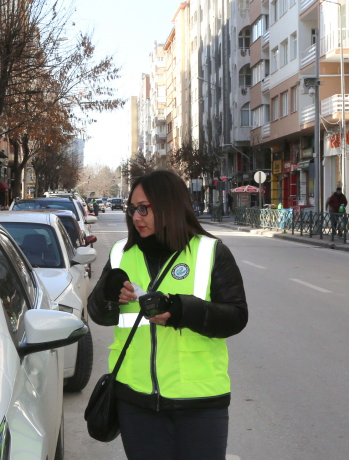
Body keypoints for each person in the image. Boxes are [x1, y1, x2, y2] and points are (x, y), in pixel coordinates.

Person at [87, 170, 248, 460]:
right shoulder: (121, 253)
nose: (136, 217)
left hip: (200, 403)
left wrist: (183, 311)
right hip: (136, 402)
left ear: (169, 206)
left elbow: (236, 316)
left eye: (144, 209)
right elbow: (98, 314)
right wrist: (108, 294)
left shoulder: (210, 252)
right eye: (133, 209)